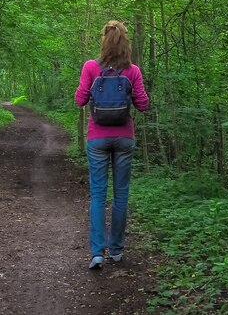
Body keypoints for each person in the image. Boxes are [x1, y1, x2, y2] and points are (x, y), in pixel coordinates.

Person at [74, 20, 149, 269]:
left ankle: (97, 252)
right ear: (125, 42)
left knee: (98, 194)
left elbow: (80, 100)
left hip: (97, 138)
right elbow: (143, 104)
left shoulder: (91, 67)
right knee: (121, 195)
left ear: (103, 41)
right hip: (124, 137)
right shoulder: (133, 71)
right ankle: (116, 250)